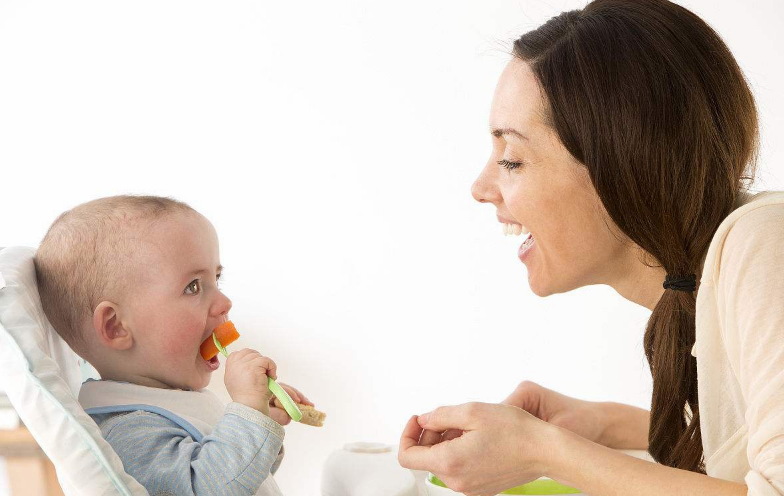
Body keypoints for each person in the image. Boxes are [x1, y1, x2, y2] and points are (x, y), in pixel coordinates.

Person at [398, 1, 784, 495]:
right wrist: (602, 426)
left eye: (512, 158)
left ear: (622, 163)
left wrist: (543, 451)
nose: (480, 186)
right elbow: (750, 441)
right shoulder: (704, 286)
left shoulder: (764, 243)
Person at [34, 195, 315, 496]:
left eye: (217, 279)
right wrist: (248, 414)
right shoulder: (126, 433)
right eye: (193, 286)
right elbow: (208, 489)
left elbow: (240, 480)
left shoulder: (172, 402)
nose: (223, 302)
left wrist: (260, 420)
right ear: (116, 326)